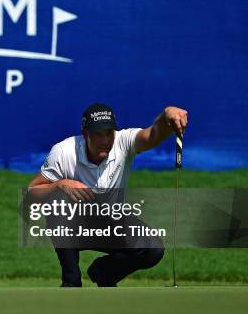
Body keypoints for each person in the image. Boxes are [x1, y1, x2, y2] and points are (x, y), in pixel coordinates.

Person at [28, 103, 188, 287]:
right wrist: (59, 185)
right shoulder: (63, 151)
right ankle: (71, 281)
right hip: (74, 226)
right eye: (98, 134)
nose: (104, 140)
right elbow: (32, 192)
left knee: (153, 250)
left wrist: (166, 115)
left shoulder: (123, 141)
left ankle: (104, 272)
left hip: (111, 222)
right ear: (85, 133)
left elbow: (153, 134)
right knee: (58, 198)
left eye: (108, 133)